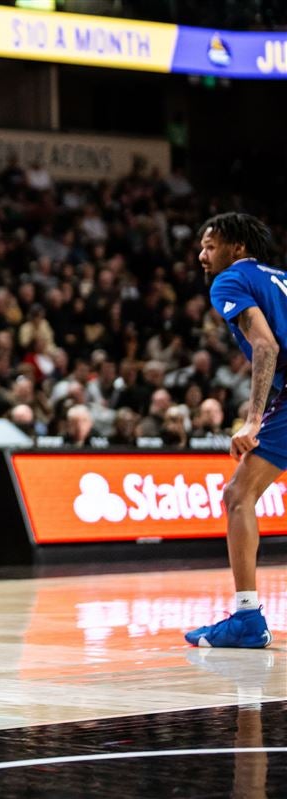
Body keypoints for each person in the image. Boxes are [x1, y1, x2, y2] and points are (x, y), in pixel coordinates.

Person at [186, 212, 278, 648]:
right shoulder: (279, 278)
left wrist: (255, 419)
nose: (202, 256)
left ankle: (246, 619)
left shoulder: (229, 281)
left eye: (210, 246)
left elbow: (265, 344)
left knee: (237, 496)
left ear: (236, 248)